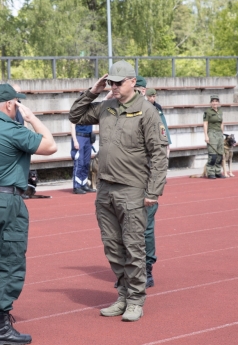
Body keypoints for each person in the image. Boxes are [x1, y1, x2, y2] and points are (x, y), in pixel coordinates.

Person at [69, 60, 168, 322]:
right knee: (113, 246)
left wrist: (153, 191)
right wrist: (93, 90)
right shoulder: (106, 106)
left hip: (133, 189)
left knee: (134, 247)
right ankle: (123, 295)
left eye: (118, 82)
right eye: (110, 82)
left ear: (133, 82)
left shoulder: (146, 111)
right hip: (106, 188)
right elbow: (75, 116)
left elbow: (159, 154)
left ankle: (136, 299)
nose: (113, 86)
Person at [0, 84, 57, 345]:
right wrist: (31, 118)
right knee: (9, 261)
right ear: (9, 104)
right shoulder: (12, 129)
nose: (18, 107)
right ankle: (1, 327)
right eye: (17, 103)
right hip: (6, 201)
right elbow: (50, 146)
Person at [143, 87, 172, 288]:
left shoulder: (154, 112)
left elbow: (162, 151)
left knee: (145, 228)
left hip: (145, 180)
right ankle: (128, 271)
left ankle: (146, 269)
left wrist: (154, 188)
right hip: (124, 180)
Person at [70, 122, 96, 194]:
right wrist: (75, 141)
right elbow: (72, 126)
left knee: (86, 163)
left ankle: (83, 184)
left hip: (88, 138)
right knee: (79, 162)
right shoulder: (76, 111)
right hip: (79, 136)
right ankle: (77, 186)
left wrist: (92, 136)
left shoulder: (90, 111)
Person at [203, 94, 224, 179]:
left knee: (220, 154)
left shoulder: (220, 111)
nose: (214, 103)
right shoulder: (207, 112)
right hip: (211, 133)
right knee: (213, 154)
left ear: (218, 102)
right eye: (213, 101)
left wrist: (222, 133)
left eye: (216, 101)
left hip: (219, 133)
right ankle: (210, 172)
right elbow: (205, 123)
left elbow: (222, 123)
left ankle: (217, 171)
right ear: (210, 102)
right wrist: (206, 136)